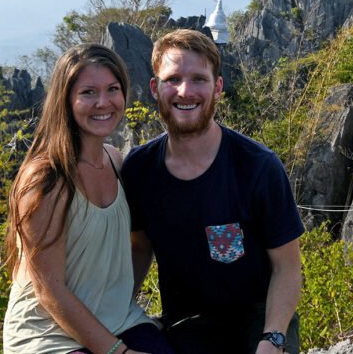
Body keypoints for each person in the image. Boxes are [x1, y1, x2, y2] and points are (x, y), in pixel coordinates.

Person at [122, 29, 304, 354]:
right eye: (172, 79)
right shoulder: (140, 169)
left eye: (199, 79)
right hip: (186, 324)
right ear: (155, 88)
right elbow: (139, 249)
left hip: (259, 320)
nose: (185, 91)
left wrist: (273, 338)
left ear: (218, 87)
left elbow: (287, 268)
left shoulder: (258, 167)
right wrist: (116, 314)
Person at [3, 44, 173, 354]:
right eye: (88, 93)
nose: (103, 102)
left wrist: (120, 299)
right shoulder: (45, 180)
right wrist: (118, 351)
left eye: (112, 89)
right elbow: (48, 288)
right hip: (47, 333)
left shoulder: (117, 162)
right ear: (66, 101)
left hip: (117, 320)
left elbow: (140, 244)